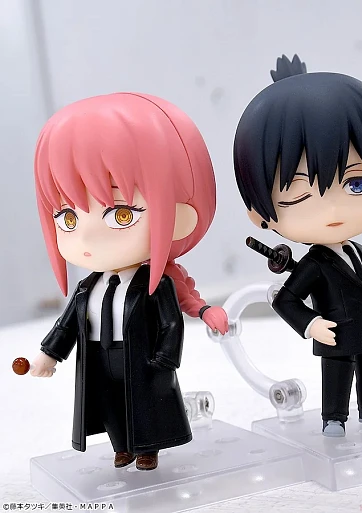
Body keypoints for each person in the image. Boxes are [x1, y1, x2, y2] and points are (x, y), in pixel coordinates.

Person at [30, 92, 228, 468]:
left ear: (179, 214)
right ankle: (121, 446)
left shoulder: (156, 283)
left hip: (141, 357)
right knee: (109, 404)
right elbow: (67, 325)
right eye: (68, 218)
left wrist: (164, 361)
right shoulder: (88, 288)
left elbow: (171, 323)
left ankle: (148, 449)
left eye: (121, 214)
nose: (88, 237)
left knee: (145, 406)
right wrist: (48, 355)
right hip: (99, 357)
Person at [233, 55, 362, 437]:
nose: (333, 211)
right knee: (338, 374)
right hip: (336, 334)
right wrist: (310, 324)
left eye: (357, 184)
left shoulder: (357, 252)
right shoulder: (314, 263)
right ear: (260, 213)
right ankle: (334, 417)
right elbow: (285, 299)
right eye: (300, 194)